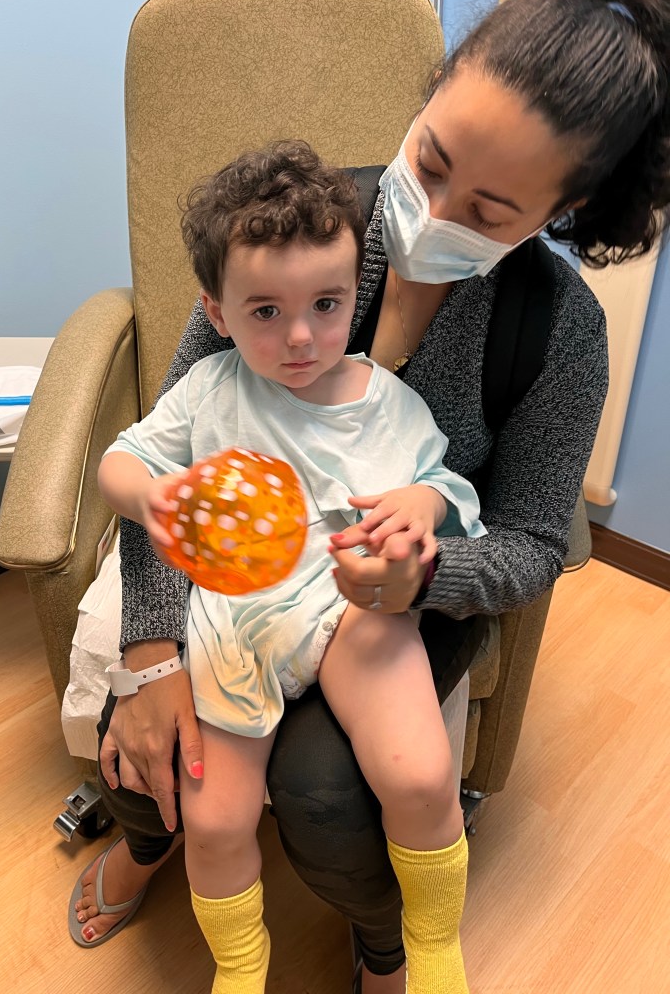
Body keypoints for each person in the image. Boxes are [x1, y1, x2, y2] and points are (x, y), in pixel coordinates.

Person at [72, 0, 670, 992]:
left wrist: (422, 569)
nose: (429, 212)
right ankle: (147, 838)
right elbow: (174, 449)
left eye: (489, 208)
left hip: (390, 591)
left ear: (559, 210)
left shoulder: (558, 332)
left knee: (332, 794)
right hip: (232, 580)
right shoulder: (293, 233)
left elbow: (531, 542)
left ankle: (390, 944)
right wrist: (151, 652)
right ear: (428, 96)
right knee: (154, 727)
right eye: (431, 159)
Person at [92, 140, 486, 993]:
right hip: (233, 621)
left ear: (354, 295)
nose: (301, 336)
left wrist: (421, 507)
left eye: (326, 305)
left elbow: (446, 490)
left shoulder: (389, 402)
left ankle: (434, 947)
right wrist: (151, 496)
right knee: (215, 821)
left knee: (421, 775)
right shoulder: (209, 390)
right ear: (217, 311)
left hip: (347, 607)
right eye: (266, 310)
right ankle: (240, 968)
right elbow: (120, 460)